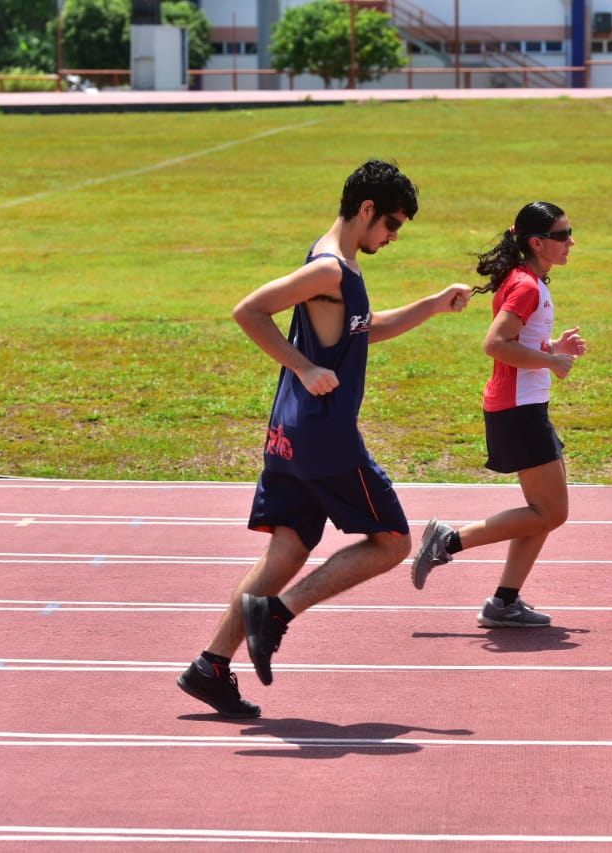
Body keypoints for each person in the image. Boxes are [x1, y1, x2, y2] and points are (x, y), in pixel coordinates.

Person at [178, 159, 471, 717]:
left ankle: (210, 666)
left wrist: (433, 305)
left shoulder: (336, 263)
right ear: (367, 210)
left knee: (288, 547)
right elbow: (250, 311)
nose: (392, 237)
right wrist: (304, 368)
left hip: (289, 434)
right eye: (392, 225)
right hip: (324, 438)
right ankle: (280, 614)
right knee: (392, 542)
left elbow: (367, 330)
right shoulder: (331, 270)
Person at [410, 201, 585, 628]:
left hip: (524, 406)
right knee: (551, 512)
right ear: (537, 242)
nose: (570, 242)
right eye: (562, 236)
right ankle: (447, 541)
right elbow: (495, 343)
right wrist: (550, 363)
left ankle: (505, 601)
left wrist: (552, 349)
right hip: (518, 409)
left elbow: (517, 341)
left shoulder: (530, 279)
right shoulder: (526, 285)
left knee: (542, 510)